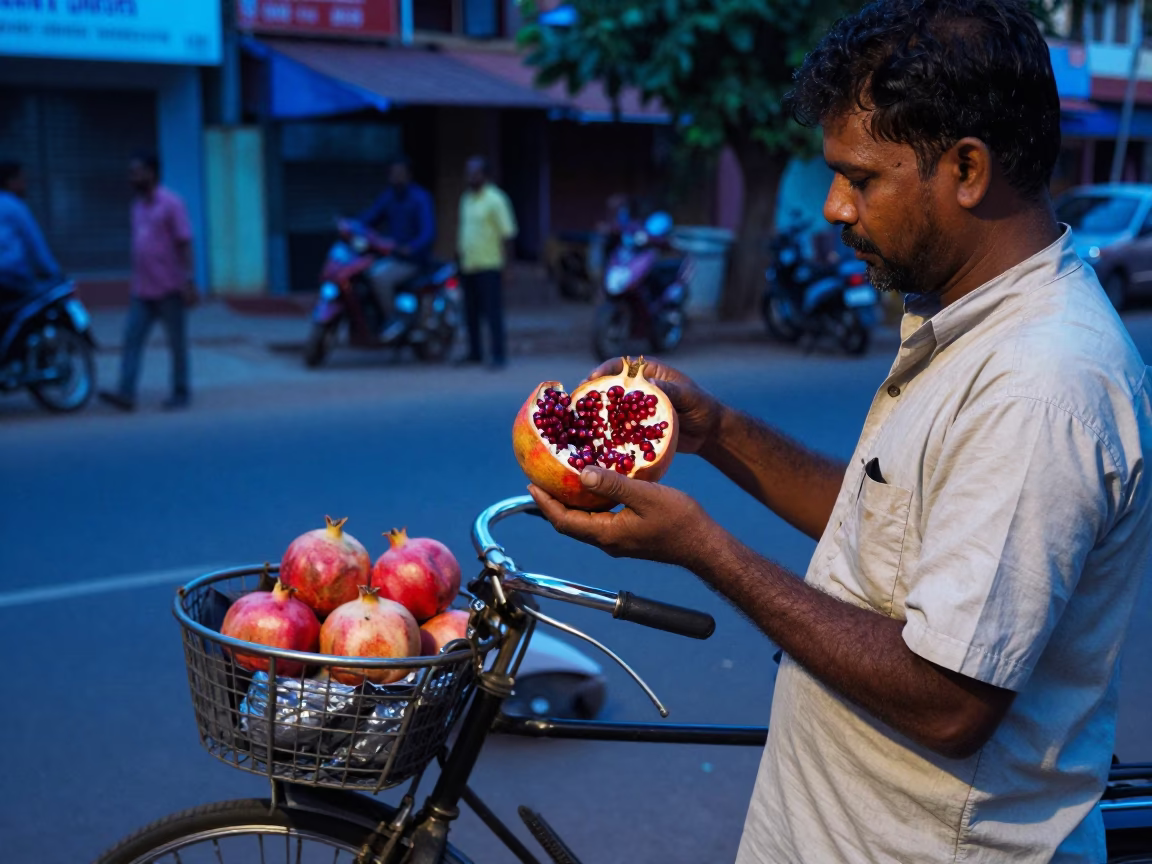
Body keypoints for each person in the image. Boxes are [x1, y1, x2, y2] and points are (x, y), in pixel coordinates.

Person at [527, 0, 1152, 861]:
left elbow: (949, 698)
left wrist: (706, 550)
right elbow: (886, 530)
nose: (833, 207)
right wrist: (719, 431)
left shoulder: (1040, 384)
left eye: (861, 178)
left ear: (967, 169)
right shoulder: (967, 325)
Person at [100, 152, 195, 412]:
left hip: (169, 287)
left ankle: (180, 390)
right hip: (142, 289)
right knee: (131, 339)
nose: (132, 178)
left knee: (176, 343)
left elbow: (184, 242)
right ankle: (126, 392)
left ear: (151, 173)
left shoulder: (172, 204)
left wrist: (188, 281)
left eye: (137, 172)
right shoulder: (137, 206)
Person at [357, 157, 436, 318]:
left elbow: (428, 232)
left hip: (413, 259)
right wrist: (351, 225)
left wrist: (412, 247)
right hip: (393, 257)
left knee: (380, 278)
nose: (395, 177)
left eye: (399, 173)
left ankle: (393, 320)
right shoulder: (389, 197)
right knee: (365, 273)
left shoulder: (420, 198)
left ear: (408, 175)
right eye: (392, 173)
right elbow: (371, 217)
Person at [457, 156, 517, 368]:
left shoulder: (496, 199)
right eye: (468, 172)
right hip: (469, 264)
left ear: (485, 175)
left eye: (475, 172)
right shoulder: (466, 199)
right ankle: (475, 352)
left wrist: (508, 266)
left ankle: (498, 355)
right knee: (470, 312)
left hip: (490, 264)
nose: (471, 177)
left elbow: (507, 234)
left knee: (493, 313)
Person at [0, 160, 61, 297]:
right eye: (22, 180)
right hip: (10, 279)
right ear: (11, 181)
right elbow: (35, 243)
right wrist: (55, 274)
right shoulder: (14, 205)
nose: (25, 185)